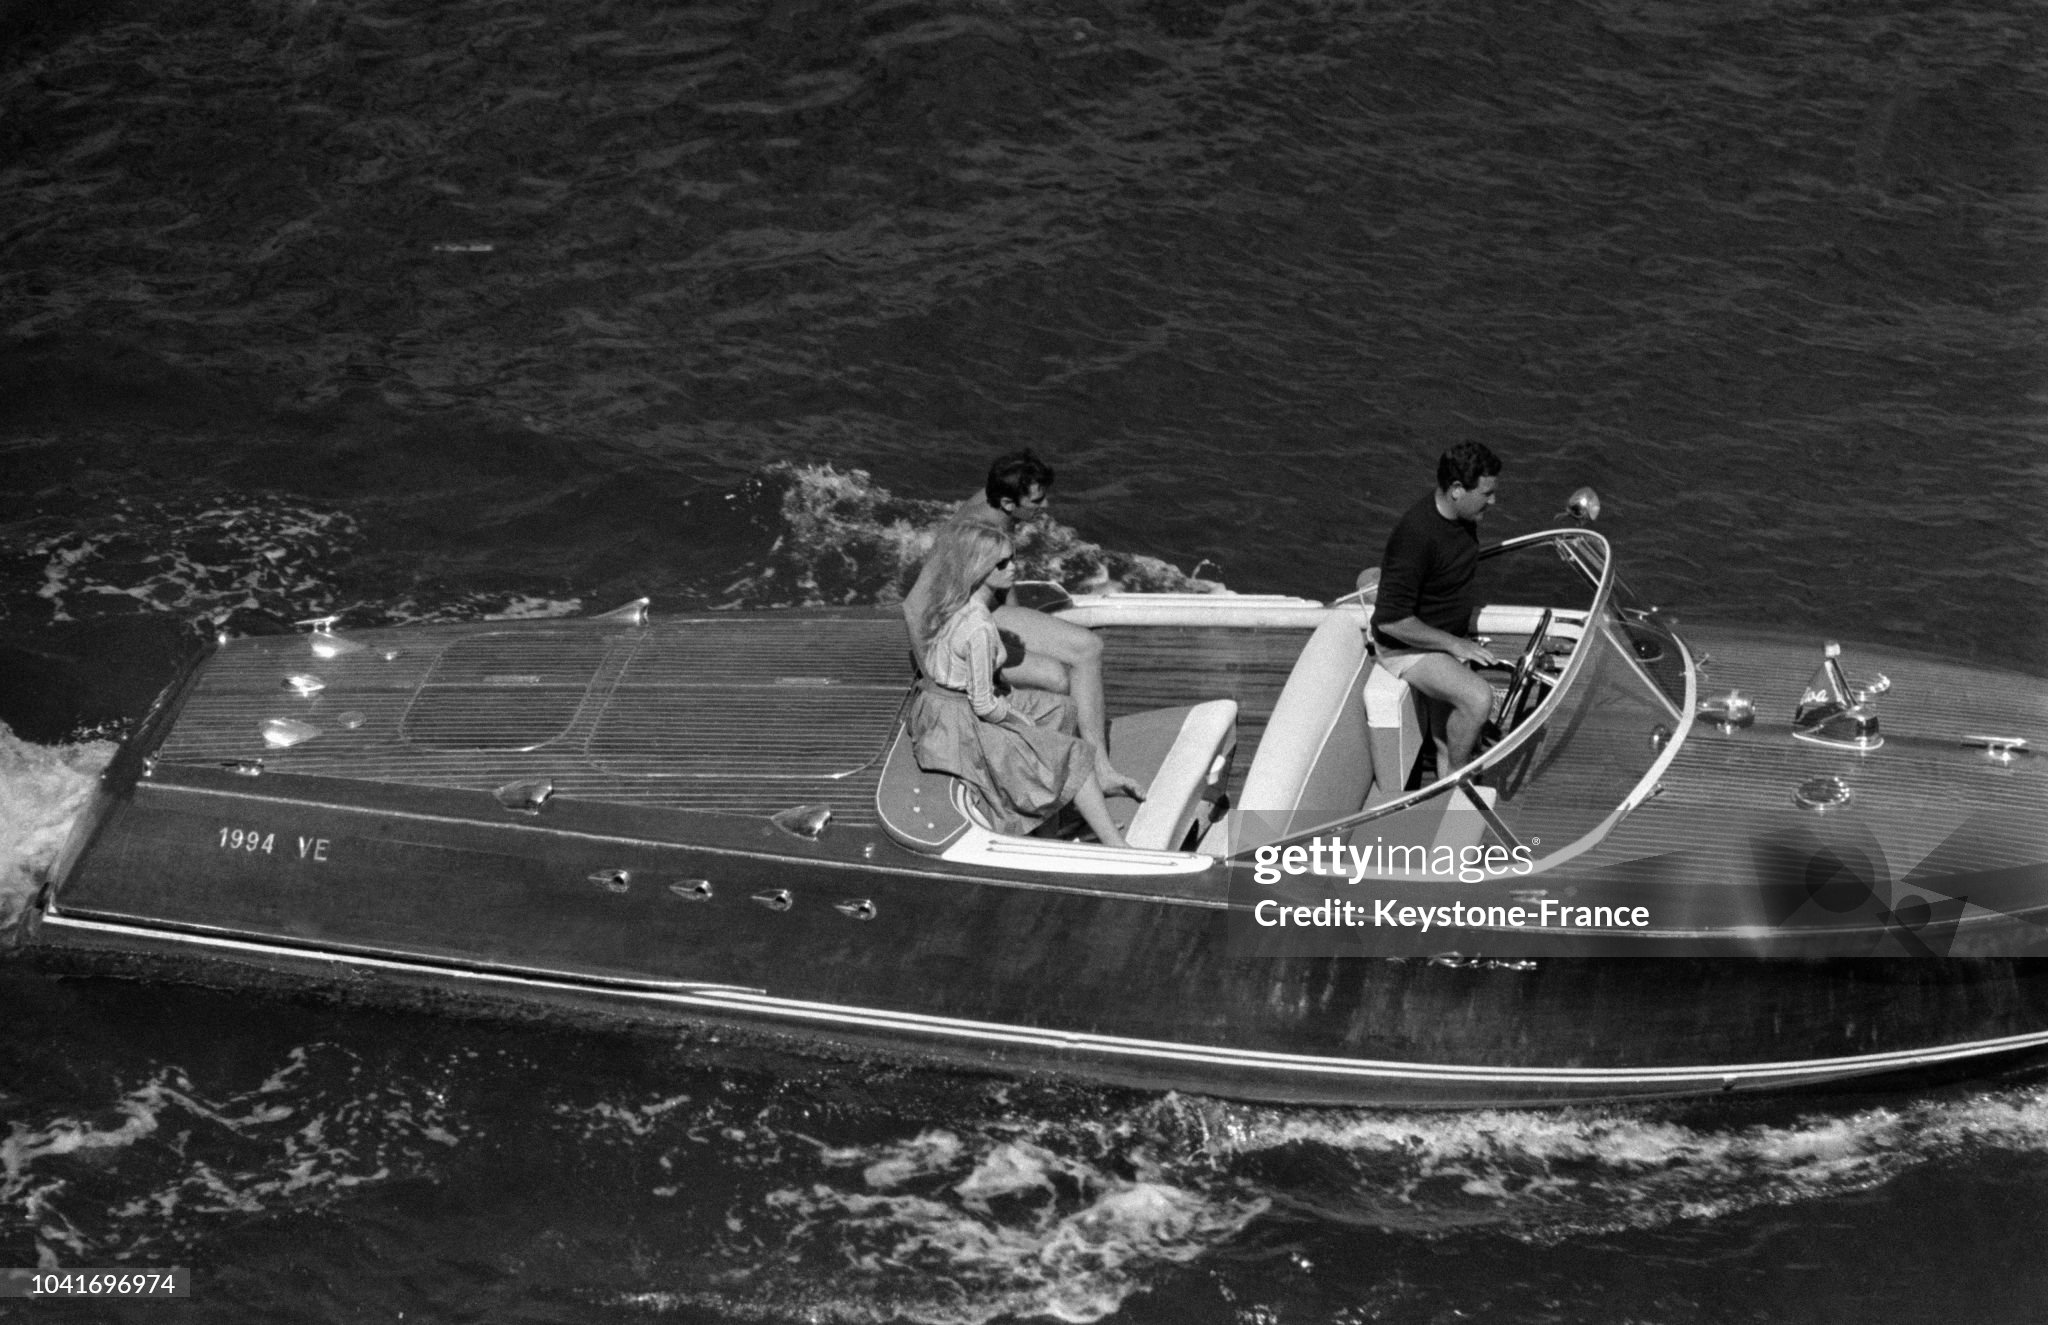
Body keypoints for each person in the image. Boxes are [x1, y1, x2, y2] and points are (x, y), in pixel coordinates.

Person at [902, 449, 1141, 797]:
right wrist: (932, 678)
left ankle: (1074, 768)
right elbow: (913, 607)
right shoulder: (970, 531)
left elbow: (996, 571)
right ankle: (1087, 773)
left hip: (985, 615)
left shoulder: (996, 504)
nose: (1045, 506)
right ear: (1008, 503)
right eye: (1037, 501)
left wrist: (1016, 631)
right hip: (959, 631)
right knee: (1080, 655)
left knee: (1065, 669)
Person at [908, 523, 1128, 847]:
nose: (1013, 568)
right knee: (1072, 755)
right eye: (1001, 564)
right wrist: (1020, 720)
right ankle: (1117, 847)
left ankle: (1048, 827)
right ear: (978, 569)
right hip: (959, 724)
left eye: (1012, 559)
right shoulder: (978, 626)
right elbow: (983, 703)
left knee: (1062, 709)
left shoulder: (960, 606)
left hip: (947, 709)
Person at [1369, 441, 1503, 771]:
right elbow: (1391, 621)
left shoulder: (1463, 516)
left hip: (1441, 638)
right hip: (1406, 648)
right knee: (1478, 698)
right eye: (1486, 493)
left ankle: (1450, 785)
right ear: (1457, 489)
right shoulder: (1415, 536)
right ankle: (1459, 779)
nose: (1493, 501)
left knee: (1447, 738)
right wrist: (1454, 644)